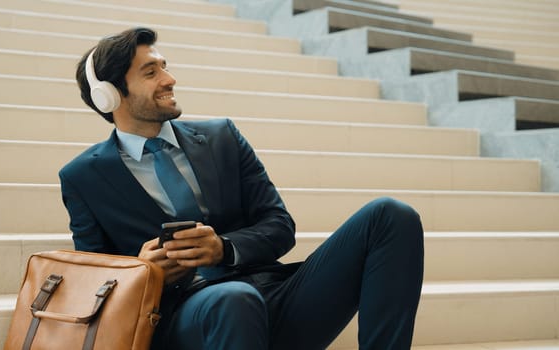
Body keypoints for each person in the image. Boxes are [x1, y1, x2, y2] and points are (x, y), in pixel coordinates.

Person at [59, 27, 424, 350]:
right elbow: (97, 282)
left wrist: (224, 248)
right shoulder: (83, 177)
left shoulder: (222, 137)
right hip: (186, 316)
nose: (169, 79)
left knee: (391, 216)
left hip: (274, 296)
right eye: (151, 72)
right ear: (109, 95)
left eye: (165, 66)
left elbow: (279, 226)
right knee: (234, 299)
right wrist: (143, 272)